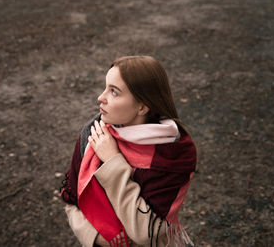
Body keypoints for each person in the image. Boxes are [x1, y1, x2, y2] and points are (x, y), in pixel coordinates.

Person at [60, 56, 197, 247]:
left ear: (142, 107)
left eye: (114, 92)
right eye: (105, 87)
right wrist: (96, 238)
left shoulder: (172, 152)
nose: (101, 97)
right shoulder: (94, 134)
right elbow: (72, 201)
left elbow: (145, 232)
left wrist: (112, 161)